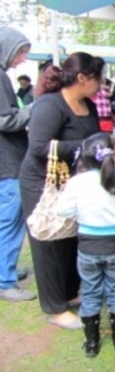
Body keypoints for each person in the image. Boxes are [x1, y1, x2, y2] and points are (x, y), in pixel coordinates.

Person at [19, 52, 105, 329]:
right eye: (98, 78)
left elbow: (92, 141)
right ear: (82, 78)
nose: (102, 84)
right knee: (48, 241)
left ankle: (69, 292)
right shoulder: (50, 105)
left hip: (71, 182)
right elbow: (39, 147)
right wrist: (86, 146)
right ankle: (54, 307)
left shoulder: (89, 106)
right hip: (41, 183)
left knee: (69, 237)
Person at [55, 133, 115, 357]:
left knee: (91, 292)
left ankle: (92, 344)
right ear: (112, 155)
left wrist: (81, 214)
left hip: (87, 248)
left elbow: (62, 210)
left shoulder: (77, 183)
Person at [0, 26, 36, 302]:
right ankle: (5, 281)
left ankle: (6, 271)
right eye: (22, 52)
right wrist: (32, 110)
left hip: (8, 161)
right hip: (8, 163)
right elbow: (5, 120)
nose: (23, 59)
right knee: (10, 222)